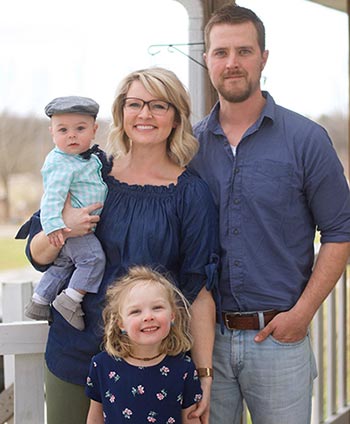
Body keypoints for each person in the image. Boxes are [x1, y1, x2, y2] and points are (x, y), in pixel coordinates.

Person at [20, 67, 219, 424]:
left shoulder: (191, 194)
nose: (144, 114)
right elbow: (37, 255)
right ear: (120, 113)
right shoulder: (89, 171)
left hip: (153, 366)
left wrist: (203, 376)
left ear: (176, 117)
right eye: (135, 104)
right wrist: (64, 226)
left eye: (159, 105)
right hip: (77, 354)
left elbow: (199, 290)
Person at [190, 4, 350, 424]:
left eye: (244, 51)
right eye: (221, 52)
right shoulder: (188, 147)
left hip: (280, 338)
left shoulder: (307, 140)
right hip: (205, 342)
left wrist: (302, 314)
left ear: (264, 56)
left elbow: (339, 232)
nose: (232, 63)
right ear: (207, 59)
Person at [23, 96, 107, 331]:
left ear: (94, 130)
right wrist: (54, 226)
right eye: (63, 129)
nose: (71, 135)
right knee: (93, 260)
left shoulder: (88, 159)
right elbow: (52, 198)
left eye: (80, 128)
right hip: (77, 231)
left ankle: (39, 301)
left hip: (77, 229)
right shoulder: (61, 163)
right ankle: (71, 300)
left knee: (63, 266)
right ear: (52, 132)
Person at [85, 265, 203, 424]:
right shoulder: (102, 365)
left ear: (172, 316)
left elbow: (191, 420)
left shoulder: (184, 368)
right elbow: (94, 418)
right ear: (121, 324)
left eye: (157, 308)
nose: (148, 316)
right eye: (135, 311)